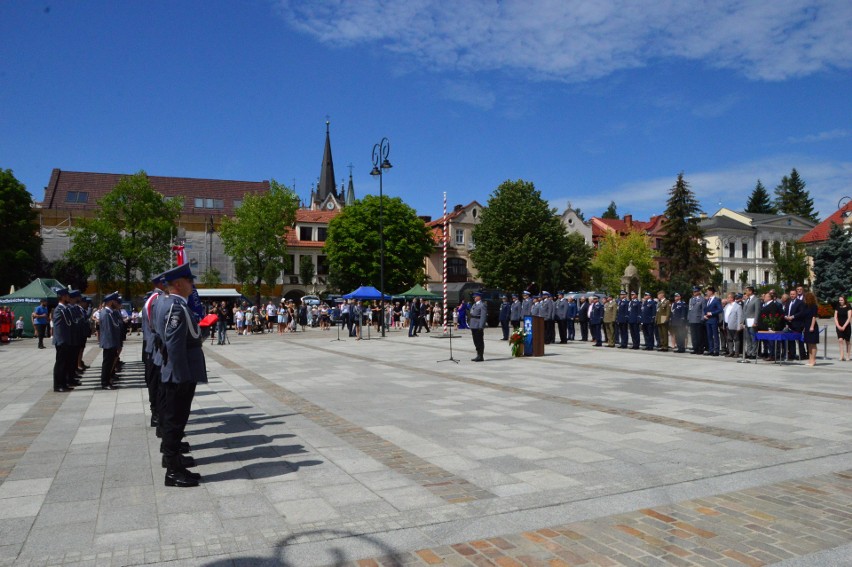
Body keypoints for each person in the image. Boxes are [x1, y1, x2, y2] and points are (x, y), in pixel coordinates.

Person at [155, 263, 206, 487]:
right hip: (179, 374)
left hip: (180, 371)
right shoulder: (176, 307)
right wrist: (181, 375)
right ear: (178, 284)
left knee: (176, 419)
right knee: (175, 421)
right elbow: (174, 345)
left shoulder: (176, 304)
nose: (193, 285)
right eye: (189, 281)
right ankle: (173, 471)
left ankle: (175, 462)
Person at [51, 286, 76, 392]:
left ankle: (64, 383)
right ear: (62, 297)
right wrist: (62, 341)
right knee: (60, 364)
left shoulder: (64, 309)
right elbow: (58, 327)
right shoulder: (58, 310)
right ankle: (58, 385)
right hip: (62, 341)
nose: (68, 298)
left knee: (65, 363)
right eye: (67, 296)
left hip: (66, 340)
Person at [98, 292, 122, 390]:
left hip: (111, 342)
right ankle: (105, 382)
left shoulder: (110, 313)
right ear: (111, 302)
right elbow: (108, 331)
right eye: (115, 301)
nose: (117, 303)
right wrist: (114, 344)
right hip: (109, 343)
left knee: (109, 363)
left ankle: (108, 380)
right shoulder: (106, 314)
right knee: (107, 363)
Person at [703, 286, 722, 356]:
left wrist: (712, 313)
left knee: (715, 335)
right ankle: (711, 349)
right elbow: (705, 309)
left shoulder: (716, 300)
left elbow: (720, 309)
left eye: (708, 291)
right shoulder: (707, 300)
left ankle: (716, 350)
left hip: (714, 319)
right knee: (709, 335)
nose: (707, 293)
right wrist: (705, 315)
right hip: (708, 320)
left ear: (711, 292)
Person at [724, 292, 744, 357]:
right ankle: (731, 352)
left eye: (728, 297)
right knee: (729, 339)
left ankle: (737, 353)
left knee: (736, 339)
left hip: (734, 325)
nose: (727, 299)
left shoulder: (737, 306)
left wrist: (739, 326)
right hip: (727, 324)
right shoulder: (727, 306)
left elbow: (740, 317)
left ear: (732, 298)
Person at [742, 286, 759, 360]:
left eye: (747, 291)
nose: (746, 292)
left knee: (753, 337)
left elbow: (757, 312)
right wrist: (742, 321)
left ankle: (754, 352)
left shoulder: (756, 300)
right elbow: (744, 311)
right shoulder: (746, 300)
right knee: (747, 338)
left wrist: (755, 321)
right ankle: (748, 352)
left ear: (751, 291)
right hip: (746, 321)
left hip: (752, 322)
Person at [803, 292, 820, 366]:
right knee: (808, 344)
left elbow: (814, 317)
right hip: (806, 324)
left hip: (812, 325)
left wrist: (812, 326)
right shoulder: (806, 306)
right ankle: (810, 360)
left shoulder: (814, 306)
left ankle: (813, 360)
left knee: (813, 344)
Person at [468, 291, 486, 361]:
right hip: (473, 324)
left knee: (479, 341)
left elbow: (483, 316)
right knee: (475, 340)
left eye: (475, 297)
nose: (474, 298)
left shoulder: (482, 305)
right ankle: (478, 354)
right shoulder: (474, 305)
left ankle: (480, 355)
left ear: (479, 297)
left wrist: (481, 326)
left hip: (478, 325)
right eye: (474, 297)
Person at [688, 286, 706, 355]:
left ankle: (700, 349)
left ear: (699, 292)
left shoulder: (702, 299)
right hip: (692, 319)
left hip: (698, 319)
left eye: (695, 291)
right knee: (693, 335)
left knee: (699, 336)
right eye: (693, 291)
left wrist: (702, 318)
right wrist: (688, 318)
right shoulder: (691, 299)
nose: (694, 293)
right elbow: (689, 310)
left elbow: (703, 310)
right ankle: (695, 348)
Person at [834, 295, 851, 361]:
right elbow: (835, 317)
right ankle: (842, 355)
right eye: (839, 300)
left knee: (847, 341)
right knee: (840, 340)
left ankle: (848, 355)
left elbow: (849, 317)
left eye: (841, 300)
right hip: (839, 325)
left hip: (846, 326)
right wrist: (838, 325)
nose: (840, 301)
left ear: (845, 300)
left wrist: (844, 326)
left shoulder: (848, 306)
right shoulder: (837, 306)